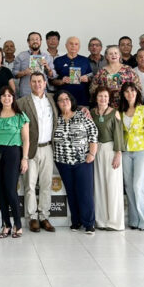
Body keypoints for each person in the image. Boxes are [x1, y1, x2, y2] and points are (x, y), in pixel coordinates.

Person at [0, 87, 30, 238]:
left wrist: (24, 158)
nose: (6, 98)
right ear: (0, 98)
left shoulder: (20, 116)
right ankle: (6, 225)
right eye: (3, 96)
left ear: (13, 98)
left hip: (13, 153)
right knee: (1, 191)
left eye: (9, 96)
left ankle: (18, 224)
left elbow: (26, 139)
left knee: (11, 190)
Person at [17, 72, 58, 233]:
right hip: (30, 149)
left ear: (45, 82)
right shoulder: (21, 102)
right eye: (33, 82)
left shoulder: (52, 100)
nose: (37, 84)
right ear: (29, 84)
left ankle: (44, 216)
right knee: (30, 185)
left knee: (46, 184)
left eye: (40, 81)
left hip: (48, 147)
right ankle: (32, 217)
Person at [54, 90, 99, 235]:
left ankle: (89, 223)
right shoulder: (56, 119)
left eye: (67, 98)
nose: (64, 102)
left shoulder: (82, 115)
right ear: (57, 104)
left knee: (85, 192)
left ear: (71, 100)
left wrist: (92, 153)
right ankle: (76, 221)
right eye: (61, 100)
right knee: (71, 192)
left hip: (83, 160)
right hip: (62, 161)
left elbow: (93, 134)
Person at [119, 82, 144, 230]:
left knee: (138, 185)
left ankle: (142, 220)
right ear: (123, 94)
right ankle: (133, 220)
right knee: (128, 186)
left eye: (132, 91)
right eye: (126, 91)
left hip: (141, 150)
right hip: (126, 151)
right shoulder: (120, 111)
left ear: (137, 92)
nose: (130, 94)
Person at [91, 86, 124, 231]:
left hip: (111, 149)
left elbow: (119, 134)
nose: (103, 99)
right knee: (99, 185)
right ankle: (102, 220)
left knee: (113, 185)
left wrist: (118, 153)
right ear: (96, 98)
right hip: (97, 150)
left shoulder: (115, 113)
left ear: (109, 98)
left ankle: (115, 222)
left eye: (105, 96)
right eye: (100, 96)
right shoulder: (92, 113)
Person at [12, 31, 56, 99]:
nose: (35, 41)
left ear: (41, 41)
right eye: (32, 39)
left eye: (37, 39)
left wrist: (47, 68)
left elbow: (53, 76)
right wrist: (24, 72)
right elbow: (14, 74)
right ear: (28, 42)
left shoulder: (47, 56)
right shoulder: (21, 56)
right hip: (26, 93)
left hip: (42, 93)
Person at [52, 36, 93, 107]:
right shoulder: (58, 60)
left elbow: (91, 77)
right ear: (66, 46)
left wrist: (87, 78)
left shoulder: (85, 60)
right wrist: (62, 81)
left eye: (76, 44)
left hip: (82, 100)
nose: (73, 46)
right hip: (63, 101)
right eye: (71, 44)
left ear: (79, 46)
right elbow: (52, 81)